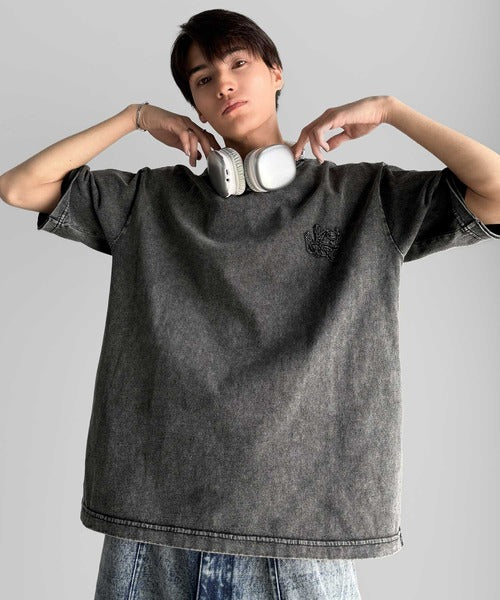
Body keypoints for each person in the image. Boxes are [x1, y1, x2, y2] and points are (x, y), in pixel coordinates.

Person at [1, 7, 499, 600]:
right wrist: (135, 118)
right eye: (203, 78)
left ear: (276, 72)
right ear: (194, 103)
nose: (224, 84)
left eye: (239, 63)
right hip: (153, 532)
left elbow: (494, 192)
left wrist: (391, 110)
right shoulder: (150, 200)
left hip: (302, 539)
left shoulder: (364, 197)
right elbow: (19, 187)